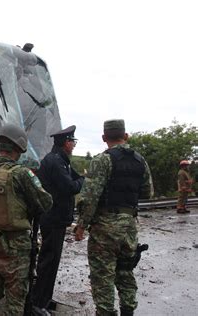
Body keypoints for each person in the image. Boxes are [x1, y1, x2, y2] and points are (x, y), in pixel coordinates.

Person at [75, 119, 153, 316]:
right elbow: (148, 192)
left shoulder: (102, 160)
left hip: (105, 227)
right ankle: (128, 311)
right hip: (129, 226)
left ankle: (106, 312)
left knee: (103, 277)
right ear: (125, 136)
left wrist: (81, 226)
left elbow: (90, 197)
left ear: (104, 138)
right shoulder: (139, 160)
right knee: (126, 272)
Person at [0, 124, 52, 315]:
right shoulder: (21, 173)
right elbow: (45, 202)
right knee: (15, 301)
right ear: (18, 147)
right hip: (16, 248)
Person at [31, 125, 84, 314]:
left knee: (52, 262)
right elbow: (70, 187)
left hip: (57, 219)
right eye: (73, 142)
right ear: (65, 143)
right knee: (48, 261)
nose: (74, 145)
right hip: (52, 219)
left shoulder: (61, 160)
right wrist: (83, 181)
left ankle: (44, 299)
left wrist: (82, 177)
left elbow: (75, 177)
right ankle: (37, 303)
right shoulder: (55, 162)